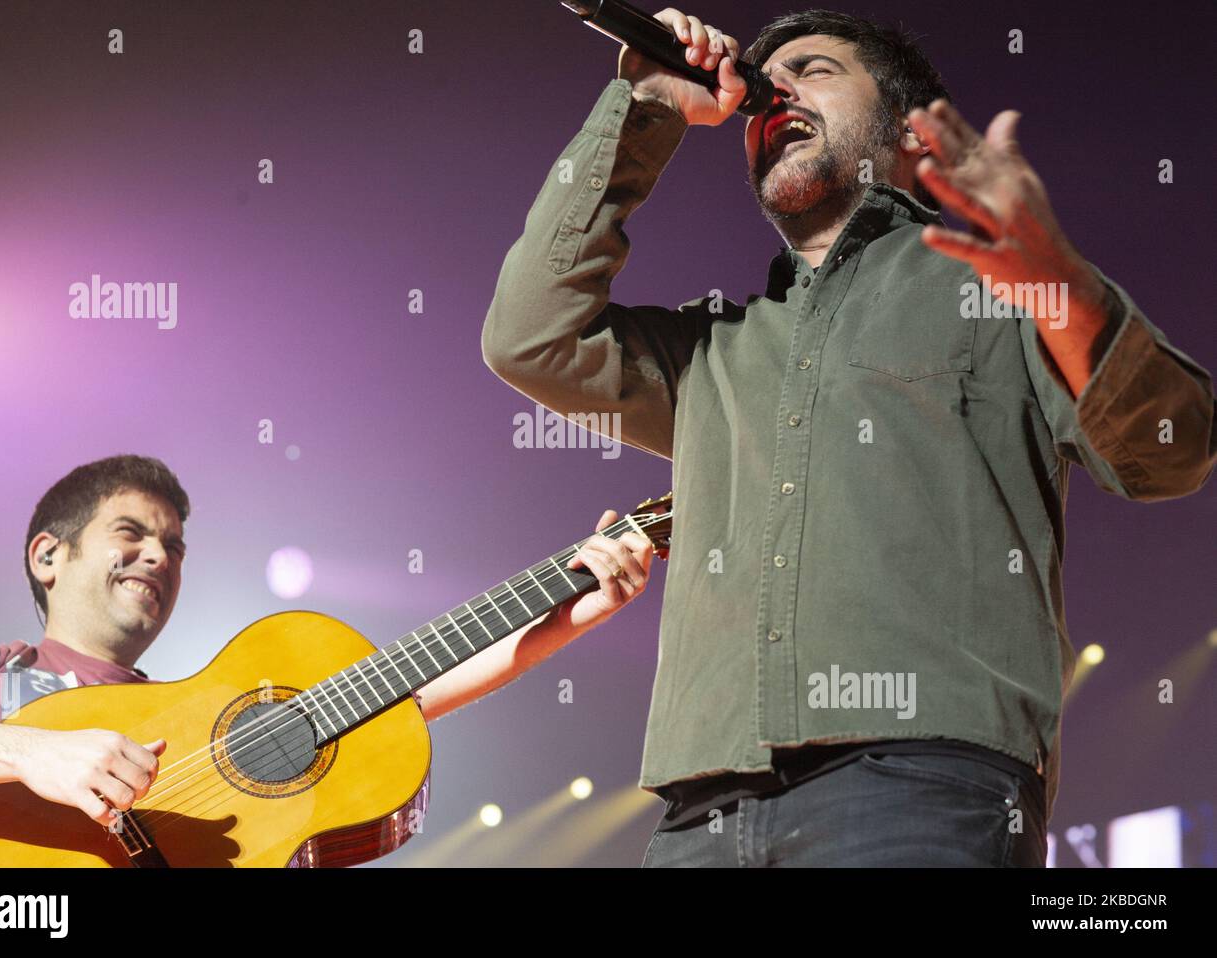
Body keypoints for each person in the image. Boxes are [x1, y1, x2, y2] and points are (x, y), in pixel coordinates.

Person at [480, 7, 1216, 866]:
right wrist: (648, 106)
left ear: (908, 130)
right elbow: (530, 338)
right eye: (764, 83)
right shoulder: (716, 347)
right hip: (700, 810)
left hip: (923, 786)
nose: (774, 89)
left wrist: (1057, 278)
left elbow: (1172, 450)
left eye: (815, 69)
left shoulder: (1002, 290)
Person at [0, 454, 654, 866]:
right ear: (49, 554)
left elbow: (406, 695)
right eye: (132, 532)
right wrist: (32, 754)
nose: (158, 556)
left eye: (174, 547)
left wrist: (570, 615)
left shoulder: (199, 712)